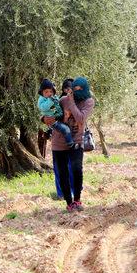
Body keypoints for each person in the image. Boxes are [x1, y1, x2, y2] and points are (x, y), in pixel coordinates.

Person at [45, 77, 94, 212]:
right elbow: (49, 113)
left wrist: (71, 102)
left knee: (77, 169)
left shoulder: (88, 102)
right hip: (59, 142)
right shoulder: (62, 100)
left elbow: (80, 118)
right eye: (74, 90)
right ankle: (69, 202)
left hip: (77, 142)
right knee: (63, 173)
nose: (76, 92)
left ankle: (77, 200)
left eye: (79, 90)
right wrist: (45, 118)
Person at [37, 79, 78, 149]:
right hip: (58, 144)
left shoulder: (80, 102)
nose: (49, 93)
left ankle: (71, 143)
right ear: (64, 90)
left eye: (50, 91)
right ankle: (71, 144)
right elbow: (46, 109)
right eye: (68, 89)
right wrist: (44, 118)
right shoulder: (60, 100)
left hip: (76, 140)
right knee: (65, 129)